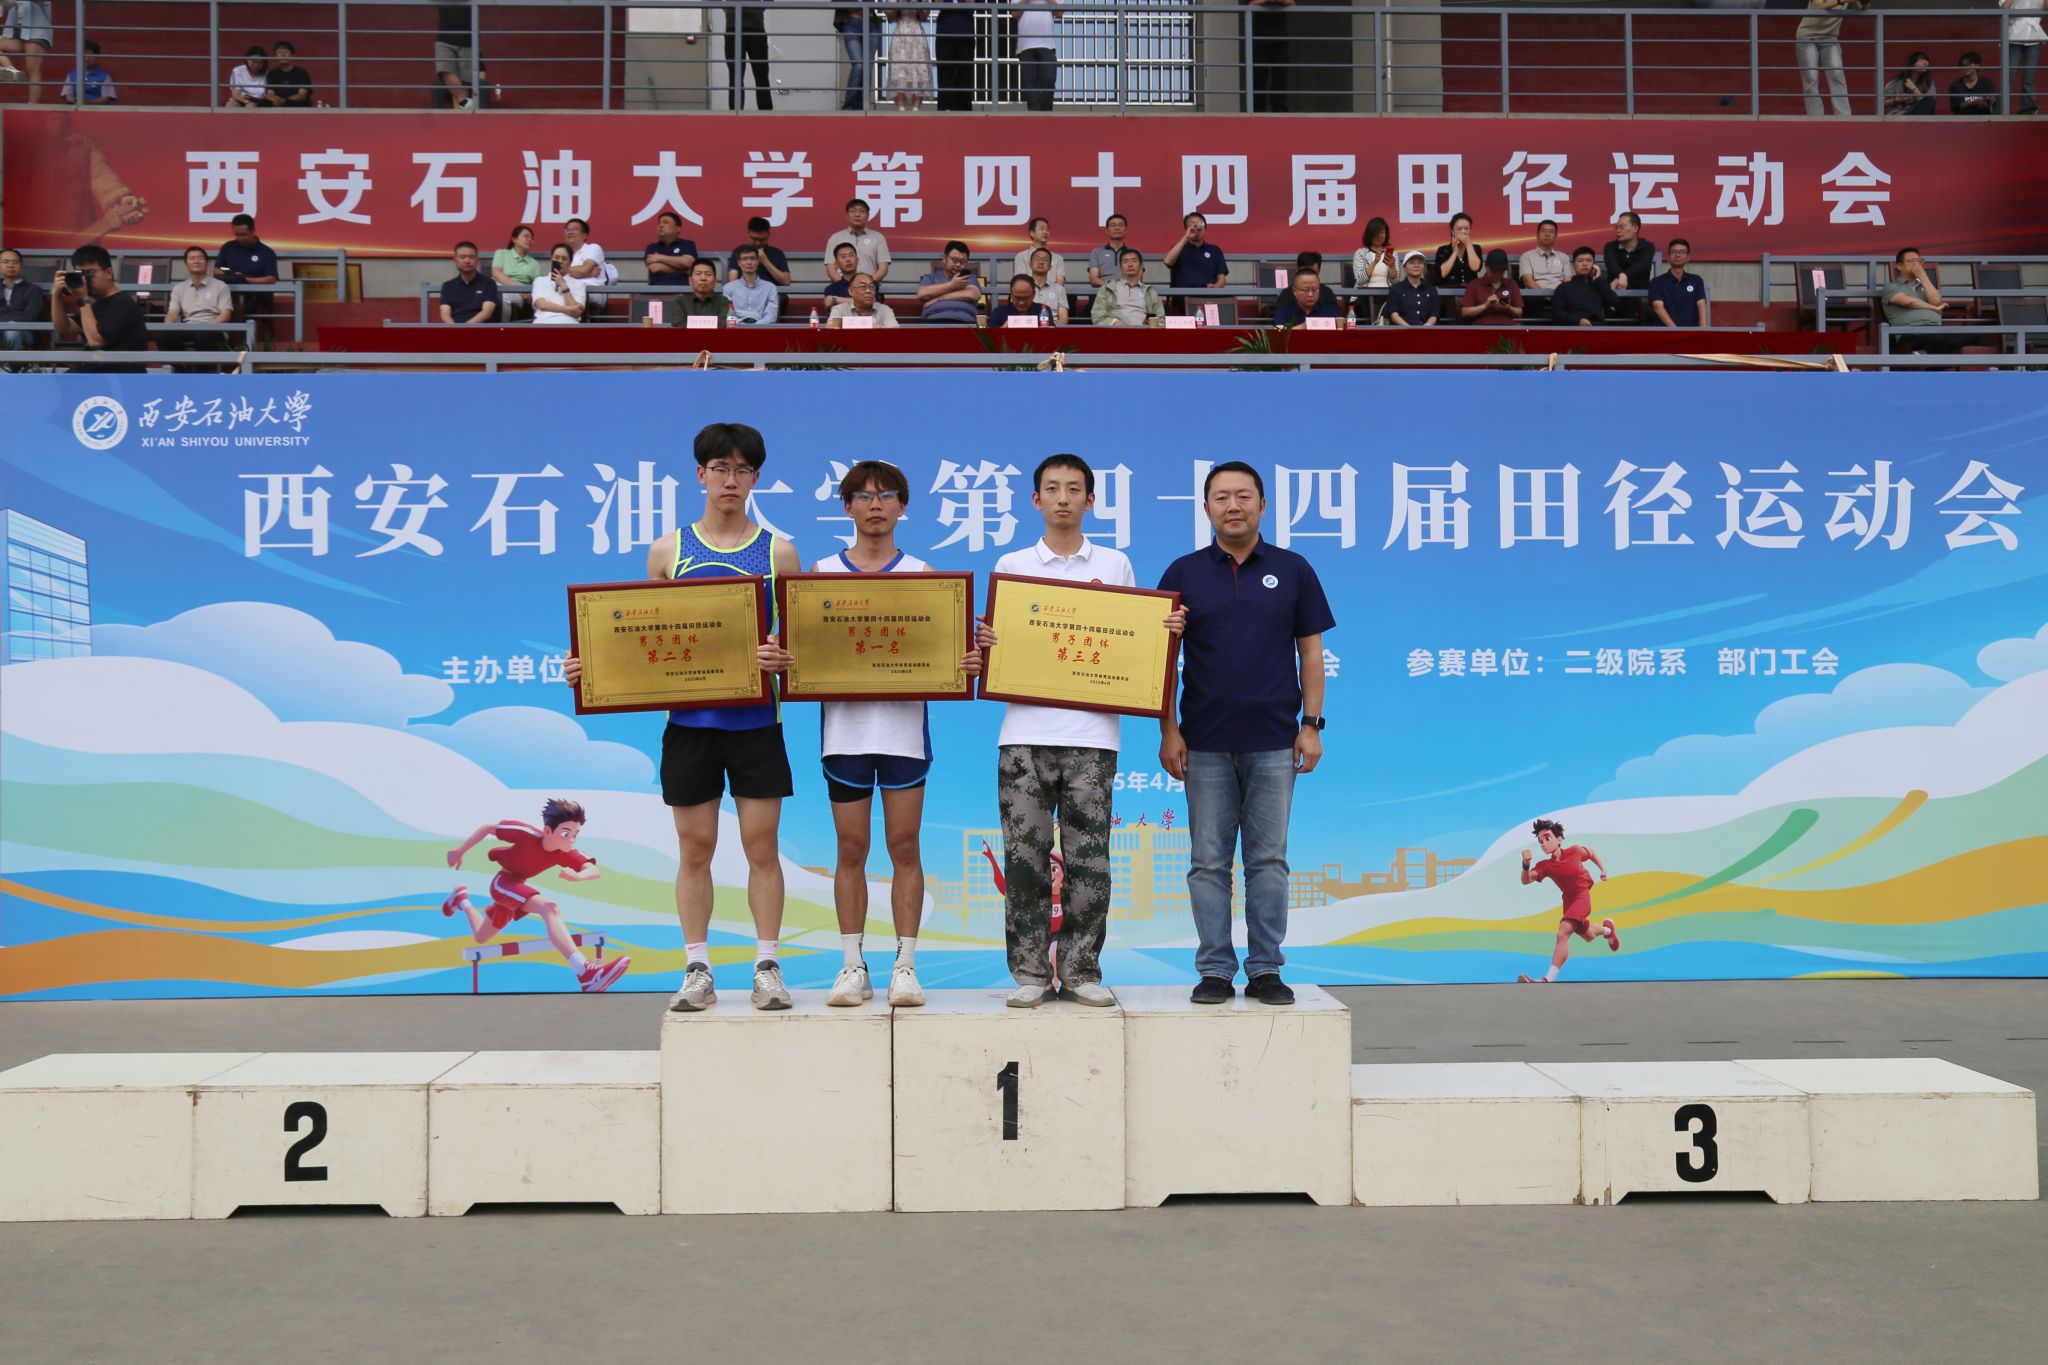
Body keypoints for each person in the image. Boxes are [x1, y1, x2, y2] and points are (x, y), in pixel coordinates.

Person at [562, 422, 800, 1013]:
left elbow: (799, 644)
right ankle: (698, 969)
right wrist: (590, 667)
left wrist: (782, 657)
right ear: (700, 474)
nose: (730, 480)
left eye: (742, 470)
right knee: (695, 849)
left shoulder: (779, 552)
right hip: (690, 726)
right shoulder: (669, 551)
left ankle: (767, 967)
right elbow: (643, 637)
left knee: (762, 846)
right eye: (720, 468)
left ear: (756, 479)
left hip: (757, 723)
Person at [983, 455, 1174, 1008]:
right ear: (1035, 500)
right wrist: (990, 643)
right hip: (1024, 733)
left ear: (1091, 500)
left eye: (1074, 489)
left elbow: (1134, 641)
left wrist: (1164, 631)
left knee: (1090, 860)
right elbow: (1002, 640)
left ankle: (1081, 969)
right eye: (1051, 488)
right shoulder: (1013, 563)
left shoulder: (1114, 564)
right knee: (1025, 859)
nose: (1062, 497)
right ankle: (1030, 974)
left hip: (1093, 736)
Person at [813, 461, 984, 1009]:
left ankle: (906, 966)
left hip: (904, 732)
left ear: (903, 507)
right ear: (847, 507)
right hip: (844, 733)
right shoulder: (820, 575)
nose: (876, 505)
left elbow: (945, 654)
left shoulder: (923, 574)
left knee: (904, 845)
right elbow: (804, 653)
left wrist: (964, 662)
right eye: (864, 496)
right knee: (850, 848)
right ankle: (851, 965)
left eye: (887, 495)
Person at [1158, 460, 1330, 1006]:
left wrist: (1311, 726)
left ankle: (1265, 969)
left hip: (1275, 740)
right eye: (1221, 497)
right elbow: (1160, 659)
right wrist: (1169, 730)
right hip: (1203, 741)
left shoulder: (1293, 569)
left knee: (1268, 862)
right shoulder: (1183, 573)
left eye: (1243, 496)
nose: (1233, 506)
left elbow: (1311, 654)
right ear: (1206, 508)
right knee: (1208, 863)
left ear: (1262, 504)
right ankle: (1214, 969)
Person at [442, 799, 631, 994]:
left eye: (575, 834)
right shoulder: (526, 834)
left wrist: (578, 876)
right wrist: (459, 852)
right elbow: (487, 828)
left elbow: (593, 870)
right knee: (549, 908)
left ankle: (462, 900)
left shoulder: (565, 852)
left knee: (481, 936)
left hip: (517, 886)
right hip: (503, 883)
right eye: (566, 833)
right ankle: (584, 971)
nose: (571, 840)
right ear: (548, 831)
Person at [1516, 819, 1617, 984]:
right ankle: (1608, 930)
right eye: (1540, 841)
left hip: (1581, 896)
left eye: (1547, 838)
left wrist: (1603, 869)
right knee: (1588, 934)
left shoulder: (1575, 851)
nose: (1543, 844)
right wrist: (1526, 865)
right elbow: (1526, 880)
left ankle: (1547, 979)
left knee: (1562, 933)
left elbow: (1591, 853)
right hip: (1568, 901)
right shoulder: (1545, 865)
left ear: (1559, 839)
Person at [49, 243, 149, 371]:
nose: (85, 279)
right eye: (81, 273)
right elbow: (64, 327)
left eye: (90, 273)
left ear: (108, 273)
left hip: (119, 373)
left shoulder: (122, 302)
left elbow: (95, 342)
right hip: (99, 370)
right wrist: (56, 296)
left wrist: (82, 299)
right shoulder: (98, 304)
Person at [1880, 246, 1958, 354]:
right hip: (1910, 332)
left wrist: (1923, 276)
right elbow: (1907, 302)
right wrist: (1934, 308)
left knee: (1970, 336)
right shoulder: (1891, 286)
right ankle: (1923, 353)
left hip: (1934, 330)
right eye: (1911, 261)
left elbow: (1936, 301)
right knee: (1948, 343)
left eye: (1918, 261)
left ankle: (1922, 353)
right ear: (1899, 266)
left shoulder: (1925, 286)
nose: (1916, 264)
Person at [163, 246, 236, 352]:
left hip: (213, 327)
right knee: (163, 336)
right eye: (192, 258)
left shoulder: (220, 286)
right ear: (186, 264)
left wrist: (209, 327)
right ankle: (179, 363)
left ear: (207, 263)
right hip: (188, 327)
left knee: (203, 334)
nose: (196, 261)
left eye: (200, 258)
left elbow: (226, 315)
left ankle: (201, 364)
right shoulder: (178, 288)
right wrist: (168, 327)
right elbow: (172, 314)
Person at [215, 214, 278, 337]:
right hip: (229, 293)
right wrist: (233, 276)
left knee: (242, 303)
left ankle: (238, 337)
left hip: (255, 295)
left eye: (244, 235)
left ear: (253, 231)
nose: (240, 238)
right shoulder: (228, 247)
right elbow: (217, 270)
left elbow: (271, 279)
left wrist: (245, 279)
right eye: (237, 235)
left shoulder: (266, 252)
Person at [1796, 0, 1859, 118]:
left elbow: (1862, 6)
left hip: (1830, 37)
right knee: (1811, 79)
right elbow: (1818, 5)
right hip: (1807, 36)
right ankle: (1816, 118)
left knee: (1837, 75)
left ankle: (1844, 117)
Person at [1164, 212, 1228, 315]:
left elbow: (1222, 279)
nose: (1196, 228)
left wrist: (1214, 288)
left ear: (1205, 229)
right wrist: (1187, 237)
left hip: (1208, 297)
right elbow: (1167, 261)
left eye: (1200, 224)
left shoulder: (1215, 250)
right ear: (1186, 229)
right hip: (1183, 298)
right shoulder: (1178, 248)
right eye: (1192, 224)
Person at [435, 3, 492, 109]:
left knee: (464, 79)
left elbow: (482, 74)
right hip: (445, 36)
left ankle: (462, 110)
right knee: (444, 69)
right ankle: (465, 103)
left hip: (468, 38)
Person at [1092, 247, 1165, 326]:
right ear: (1120, 267)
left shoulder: (1150, 292)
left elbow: (1161, 320)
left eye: (1134, 261)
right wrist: (1115, 323)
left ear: (1141, 266)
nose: (1130, 265)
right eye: (1125, 261)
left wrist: (1153, 323)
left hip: (1144, 331)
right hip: (1117, 331)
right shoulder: (1107, 289)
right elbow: (1097, 316)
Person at [826, 199, 891, 286]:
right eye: (853, 211)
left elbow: (883, 269)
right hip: (841, 287)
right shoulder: (835, 238)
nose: (857, 214)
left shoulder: (878, 237)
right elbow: (830, 269)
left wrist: (867, 285)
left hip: (869, 288)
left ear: (868, 216)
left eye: (862, 211)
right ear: (847, 215)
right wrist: (845, 286)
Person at [1646, 238, 1709, 328]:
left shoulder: (1696, 280)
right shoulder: (1656, 282)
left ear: (1688, 258)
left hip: (1692, 333)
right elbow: (1658, 308)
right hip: (1666, 333)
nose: (1678, 255)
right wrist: (1676, 331)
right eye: (1674, 252)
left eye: (1682, 252)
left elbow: (1701, 304)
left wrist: (1703, 330)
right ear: (1668, 257)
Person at [1551, 246, 1621, 326]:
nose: (1585, 264)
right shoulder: (1564, 288)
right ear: (1573, 265)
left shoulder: (1600, 285)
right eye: (1580, 261)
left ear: (1594, 265)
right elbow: (1557, 314)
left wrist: (1597, 280)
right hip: (1574, 328)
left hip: (1598, 328)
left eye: (1589, 260)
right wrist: (1577, 321)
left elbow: (1614, 301)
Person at [915, 240, 981, 324]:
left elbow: (973, 294)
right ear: (944, 258)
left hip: (965, 323)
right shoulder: (931, 278)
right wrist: (951, 285)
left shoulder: (969, 278)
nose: (958, 264)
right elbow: (922, 293)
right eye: (954, 260)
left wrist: (938, 298)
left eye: (962, 262)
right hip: (934, 322)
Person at [1245, 0, 1294, 113]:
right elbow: (1251, 3)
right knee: (1259, 75)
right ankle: (1257, 110)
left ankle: (1279, 109)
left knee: (1280, 76)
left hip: (1280, 37)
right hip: (1259, 37)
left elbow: (1292, 2)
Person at [724, 0, 773, 110]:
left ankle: (765, 111)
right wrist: (726, 7)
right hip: (734, 28)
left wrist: (759, 7)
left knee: (761, 73)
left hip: (755, 29)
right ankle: (735, 112)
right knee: (735, 74)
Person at [0, 3, 54, 101]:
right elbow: (3, 8)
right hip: (15, 29)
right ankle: (10, 68)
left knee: (32, 68)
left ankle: (32, 104)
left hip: (35, 30)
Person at [438, 241, 501, 324]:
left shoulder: (489, 283)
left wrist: (465, 328)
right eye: (462, 257)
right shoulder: (447, 286)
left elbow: (486, 313)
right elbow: (445, 315)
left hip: (481, 329)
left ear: (477, 260)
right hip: (454, 328)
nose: (467, 261)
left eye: (471, 257)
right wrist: (455, 329)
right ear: (455, 260)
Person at [0, 247, 49, 352]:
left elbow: (31, 315)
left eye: (15, 262)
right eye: (5, 262)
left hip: (24, 332)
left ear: (22, 267)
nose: (10, 265)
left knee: (12, 331)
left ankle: (10, 363)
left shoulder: (34, 290)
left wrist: (8, 321)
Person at [1457, 249, 1523, 326]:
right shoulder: (1474, 284)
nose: (1497, 274)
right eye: (1493, 271)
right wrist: (1485, 306)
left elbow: (1519, 312)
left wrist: (1509, 308)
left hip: (1506, 327)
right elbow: (1465, 312)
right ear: (1486, 267)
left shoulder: (1511, 284)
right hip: (1481, 327)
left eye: (1501, 271)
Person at [491, 224, 545, 319]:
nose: (529, 239)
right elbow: (497, 273)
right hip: (497, 289)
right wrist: (520, 290)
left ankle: (503, 326)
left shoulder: (534, 264)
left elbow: (539, 286)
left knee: (504, 297)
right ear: (514, 239)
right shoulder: (501, 253)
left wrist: (528, 296)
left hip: (517, 296)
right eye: (526, 236)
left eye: (532, 238)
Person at [563, 217, 615, 312]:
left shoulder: (593, 248)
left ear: (584, 235)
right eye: (567, 229)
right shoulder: (563, 253)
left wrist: (565, 271)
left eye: (574, 229)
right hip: (568, 290)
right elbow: (555, 274)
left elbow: (584, 270)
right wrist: (588, 273)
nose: (570, 232)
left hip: (590, 292)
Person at [835, 6, 881, 110]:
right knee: (858, 64)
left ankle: (862, 107)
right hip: (852, 23)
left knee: (867, 67)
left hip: (871, 24)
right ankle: (849, 106)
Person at [1017, 0, 1059, 112]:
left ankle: (1046, 113)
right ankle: (1034, 116)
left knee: (1049, 79)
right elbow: (1015, 14)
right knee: (1030, 85)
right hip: (1026, 45)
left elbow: (1060, 13)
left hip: (1047, 44)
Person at [530, 243, 587, 324]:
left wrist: (563, 285)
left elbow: (576, 313)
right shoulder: (540, 281)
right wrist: (570, 309)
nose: (560, 261)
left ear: (570, 262)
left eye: (564, 259)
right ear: (551, 259)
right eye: (556, 257)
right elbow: (542, 305)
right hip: (543, 323)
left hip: (569, 323)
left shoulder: (579, 284)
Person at [726, 217, 791, 287]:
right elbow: (732, 280)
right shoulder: (739, 251)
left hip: (771, 292)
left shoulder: (777, 253)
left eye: (762, 239)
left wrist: (765, 261)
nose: (758, 243)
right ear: (748, 234)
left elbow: (786, 281)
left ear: (768, 234)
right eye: (754, 239)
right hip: (745, 290)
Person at [722, 245, 780, 324]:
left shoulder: (770, 287)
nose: (749, 262)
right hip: (737, 328)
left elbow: (771, 316)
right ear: (739, 263)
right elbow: (728, 315)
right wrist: (742, 325)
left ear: (758, 261)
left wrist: (755, 326)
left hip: (762, 328)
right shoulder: (729, 288)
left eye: (752, 258)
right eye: (745, 259)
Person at [888, 7, 932, 110]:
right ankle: (901, 106)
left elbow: (924, 17)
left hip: (917, 32)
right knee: (899, 67)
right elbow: (890, 18)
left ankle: (916, 106)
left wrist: (917, 4)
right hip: (901, 32)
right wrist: (899, 4)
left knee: (919, 67)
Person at [642, 210, 697, 292]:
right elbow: (655, 268)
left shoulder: (687, 244)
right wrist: (684, 269)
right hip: (657, 292)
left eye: (666, 222)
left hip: (684, 292)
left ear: (677, 228)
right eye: (659, 223)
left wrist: (660, 257)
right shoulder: (652, 247)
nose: (661, 225)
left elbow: (687, 262)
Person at [1381, 250, 1439, 326]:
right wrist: (1409, 329)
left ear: (1424, 267)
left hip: (1426, 331)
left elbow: (1434, 314)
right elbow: (1394, 315)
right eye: (1412, 262)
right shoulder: (1396, 289)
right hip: (1402, 331)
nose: (1416, 265)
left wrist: (1426, 327)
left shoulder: (1431, 289)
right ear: (1404, 268)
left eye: (1420, 262)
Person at [1601, 212, 1655, 294]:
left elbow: (1643, 266)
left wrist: (1621, 277)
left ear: (1635, 228)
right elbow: (1612, 266)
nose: (1618, 230)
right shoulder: (1610, 247)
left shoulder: (1648, 247)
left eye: (1622, 227)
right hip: (1614, 291)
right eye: (1617, 227)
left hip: (1639, 293)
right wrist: (1621, 276)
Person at [933, 0, 973, 110]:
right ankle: (945, 108)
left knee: (965, 72)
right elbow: (938, 2)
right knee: (945, 71)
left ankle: (964, 110)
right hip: (945, 31)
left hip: (965, 31)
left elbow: (971, 2)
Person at [2007, 0, 2044, 115]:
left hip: (2034, 34)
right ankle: (2001, 109)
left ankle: (2027, 110)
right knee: (2009, 75)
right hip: (2014, 35)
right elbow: (2004, 7)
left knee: (2029, 75)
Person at [670, 258, 732, 324]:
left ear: (715, 281)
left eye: (708, 274)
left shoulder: (724, 303)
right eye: (698, 273)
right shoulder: (681, 302)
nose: (703, 278)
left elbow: (724, 326)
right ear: (690, 280)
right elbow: (678, 326)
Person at [1271, 266, 1339, 326]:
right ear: (1294, 291)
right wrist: (1304, 327)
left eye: (1314, 289)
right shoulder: (1284, 310)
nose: (1310, 294)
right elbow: (1278, 330)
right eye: (1305, 290)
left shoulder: (1329, 310)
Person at [1432, 213, 1484, 290]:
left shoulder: (1476, 248)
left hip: (1471, 291)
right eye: (1459, 229)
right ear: (1452, 231)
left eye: (1466, 228)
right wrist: (1455, 252)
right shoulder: (1443, 250)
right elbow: (1442, 273)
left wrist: (1468, 244)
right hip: (1449, 292)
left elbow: (1476, 268)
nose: (1463, 231)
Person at [826, 271, 898, 326]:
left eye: (871, 287)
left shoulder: (884, 310)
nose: (868, 291)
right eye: (863, 287)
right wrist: (868, 326)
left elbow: (895, 332)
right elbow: (831, 327)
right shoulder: (840, 309)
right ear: (851, 291)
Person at [1011, 216, 1067, 285]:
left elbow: (1060, 282)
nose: (1045, 232)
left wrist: (1047, 290)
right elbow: (1021, 282)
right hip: (1029, 291)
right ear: (1032, 233)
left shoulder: (1058, 258)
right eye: (1041, 229)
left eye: (1047, 229)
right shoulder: (1021, 256)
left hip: (1052, 291)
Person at [1518, 219, 1568, 293]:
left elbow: (1568, 281)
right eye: (1543, 231)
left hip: (1560, 295)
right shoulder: (1527, 256)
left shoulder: (1564, 257)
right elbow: (1528, 281)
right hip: (1536, 295)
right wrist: (1544, 295)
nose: (1547, 234)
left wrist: (1560, 296)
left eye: (1551, 231)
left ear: (1556, 236)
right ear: (1537, 235)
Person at [58, 39, 115, 104]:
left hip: (97, 108)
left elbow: (106, 98)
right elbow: (67, 95)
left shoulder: (104, 75)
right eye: (84, 55)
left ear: (96, 56)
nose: (87, 58)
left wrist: (89, 103)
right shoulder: (72, 74)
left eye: (90, 55)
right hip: (76, 106)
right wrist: (76, 101)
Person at [1351, 217, 1398, 290]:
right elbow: (1360, 281)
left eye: (1382, 233)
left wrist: (1392, 267)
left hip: (1387, 293)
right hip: (1365, 293)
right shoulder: (1361, 253)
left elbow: (1395, 281)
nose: (1379, 236)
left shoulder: (1392, 254)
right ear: (1370, 234)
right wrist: (1375, 262)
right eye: (1376, 233)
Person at [1882, 51, 1936, 115]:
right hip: (1901, 114)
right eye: (1921, 60)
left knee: (1929, 100)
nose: (1925, 63)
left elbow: (1928, 104)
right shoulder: (1897, 82)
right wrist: (1896, 99)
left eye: (1927, 60)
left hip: (1919, 114)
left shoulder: (1929, 82)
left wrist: (1914, 89)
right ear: (1912, 64)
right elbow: (1882, 103)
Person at [989, 274, 1054, 326]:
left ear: (1034, 294)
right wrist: (1003, 329)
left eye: (1026, 298)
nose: (1021, 303)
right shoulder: (999, 313)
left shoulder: (1043, 311)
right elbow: (990, 337)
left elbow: (1052, 336)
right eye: (1017, 298)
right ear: (1011, 294)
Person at [1087, 213, 1131, 290]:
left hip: (1128, 290)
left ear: (1126, 230)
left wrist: (1122, 288)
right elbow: (1093, 279)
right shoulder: (1097, 252)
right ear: (1107, 231)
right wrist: (1112, 286)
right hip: (1104, 291)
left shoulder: (1134, 253)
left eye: (1120, 225)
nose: (1117, 228)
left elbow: (1138, 278)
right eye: (1113, 225)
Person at [263, 40, 313, 107]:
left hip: (299, 108)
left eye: (286, 52)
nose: (282, 55)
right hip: (278, 108)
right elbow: (270, 94)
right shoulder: (272, 74)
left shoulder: (302, 73)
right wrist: (275, 100)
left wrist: (284, 100)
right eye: (279, 52)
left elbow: (302, 95)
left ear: (293, 55)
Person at [1026, 247, 1069, 324]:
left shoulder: (1059, 289)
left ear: (1050, 267)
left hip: (1052, 327)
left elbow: (1063, 319)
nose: (1041, 262)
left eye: (1045, 260)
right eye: (1037, 259)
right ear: (1030, 264)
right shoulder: (1022, 287)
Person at [1949, 50, 1999, 114]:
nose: (1965, 67)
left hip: (1984, 117)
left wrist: (1991, 99)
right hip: (1964, 118)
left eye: (1968, 64)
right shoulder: (1955, 86)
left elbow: (1993, 98)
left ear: (1977, 65)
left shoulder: (1987, 82)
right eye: (1963, 65)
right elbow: (1958, 106)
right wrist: (1974, 103)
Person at [821, 242, 864, 310]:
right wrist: (860, 301)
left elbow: (871, 303)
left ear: (857, 260)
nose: (848, 260)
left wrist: (836, 299)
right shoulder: (831, 289)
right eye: (843, 256)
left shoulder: (870, 283)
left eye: (851, 255)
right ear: (836, 264)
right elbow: (834, 310)